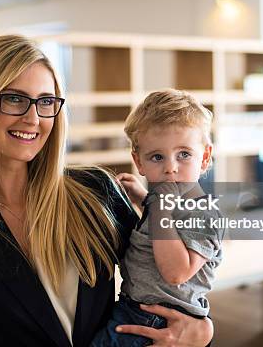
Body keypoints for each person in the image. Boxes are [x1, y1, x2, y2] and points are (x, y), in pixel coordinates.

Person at [0, 35, 214, 347]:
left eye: (46, 101)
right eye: (14, 98)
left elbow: (171, 284)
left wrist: (202, 333)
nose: (33, 118)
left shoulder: (96, 192)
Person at [92, 89, 223, 346]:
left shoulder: (205, 214)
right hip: (137, 308)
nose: (170, 167)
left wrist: (159, 207)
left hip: (158, 318)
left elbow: (176, 272)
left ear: (205, 157)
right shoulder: (165, 203)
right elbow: (163, 228)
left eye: (184, 154)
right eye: (157, 157)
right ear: (138, 161)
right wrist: (143, 198)